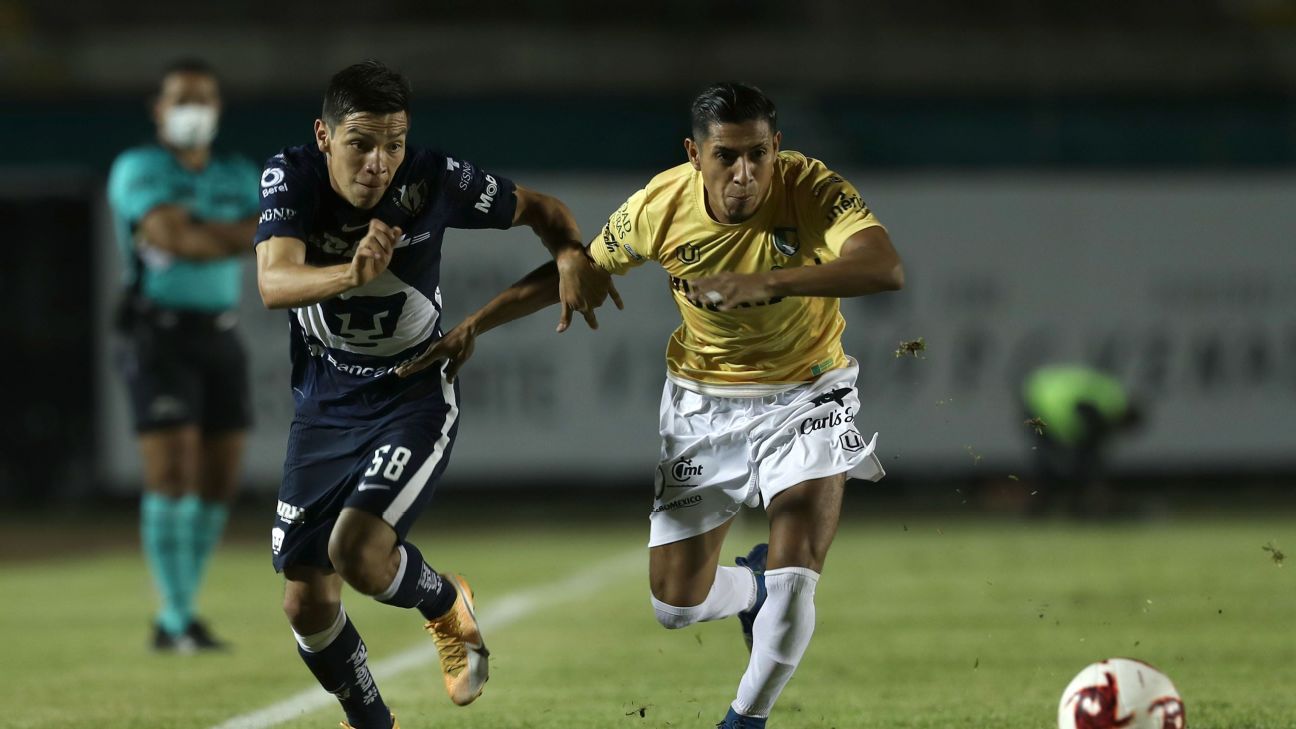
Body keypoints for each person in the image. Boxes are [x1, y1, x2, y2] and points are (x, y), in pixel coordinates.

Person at [399, 81, 904, 728]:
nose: (745, 174)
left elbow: (883, 266)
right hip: (703, 407)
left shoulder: (809, 187)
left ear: (777, 147)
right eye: (727, 157)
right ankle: (748, 588)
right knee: (675, 603)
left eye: (758, 154)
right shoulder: (658, 207)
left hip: (809, 390)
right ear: (695, 154)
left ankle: (744, 717)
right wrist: (474, 324)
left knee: (797, 568)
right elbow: (580, 268)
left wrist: (770, 281)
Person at [253, 60, 616, 729]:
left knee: (357, 554)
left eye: (393, 142)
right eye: (361, 141)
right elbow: (274, 282)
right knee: (305, 603)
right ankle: (372, 721)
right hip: (326, 402)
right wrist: (349, 270)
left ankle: (444, 602)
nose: (379, 162)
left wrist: (567, 250)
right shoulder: (292, 176)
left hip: (414, 391)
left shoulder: (434, 178)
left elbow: (544, 211)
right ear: (324, 136)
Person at [107, 58, 260, 652]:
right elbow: (175, 238)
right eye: (182, 99)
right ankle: (175, 617)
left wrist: (207, 229)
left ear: (218, 110)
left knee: (219, 479)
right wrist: (237, 232)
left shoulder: (238, 171)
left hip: (219, 334)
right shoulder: (140, 168)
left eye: (204, 99)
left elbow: (272, 234)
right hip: (157, 334)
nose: (193, 111)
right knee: (171, 472)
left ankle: (182, 611)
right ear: (159, 108)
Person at [1021, 363, 1143, 517]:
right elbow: (1085, 447)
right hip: (1042, 401)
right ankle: (1052, 506)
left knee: (1058, 460)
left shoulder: (1114, 394)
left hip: (1041, 389)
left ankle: (1050, 506)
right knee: (1056, 463)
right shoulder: (1105, 411)